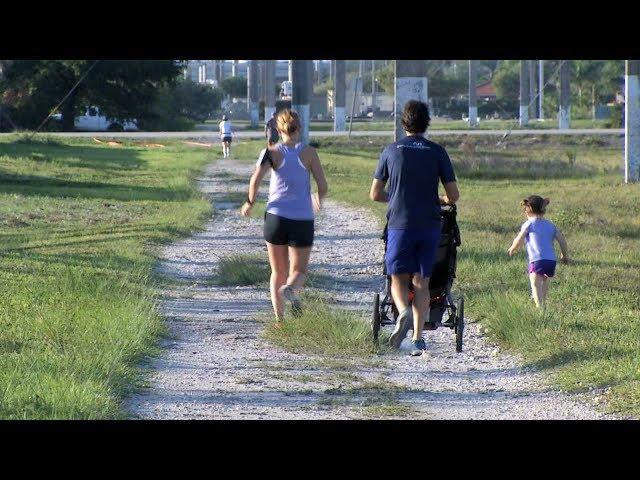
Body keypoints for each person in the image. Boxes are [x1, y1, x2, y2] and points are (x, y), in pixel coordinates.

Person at [369, 100, 460, 356]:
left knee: (398, 277)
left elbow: (375, 194)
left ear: (403, 123)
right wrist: (439, 199)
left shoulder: (391, 151)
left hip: (399, 222)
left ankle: (403, 311)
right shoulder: (437, 152)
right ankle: (419, 339)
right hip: (429, 224)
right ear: (426, 123)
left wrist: (396, 196)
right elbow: (453, 195)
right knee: (422, 281)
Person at [241, 109, 328, 322]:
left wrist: (250, 202)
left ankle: (280, 320)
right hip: (302, 219)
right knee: (299, 270)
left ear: (278, 130)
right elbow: (323, 185)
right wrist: (318, 198)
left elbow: (255, 180)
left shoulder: (270, 152)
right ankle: (291, 289)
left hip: (275, 218)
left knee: (277, 272)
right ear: (299, 128)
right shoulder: (309, 153)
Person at [507, 195, 570, 308]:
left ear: (527, 210)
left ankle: (539, 307)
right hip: (551, 261)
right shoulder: (551, 225)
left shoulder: (529, 224)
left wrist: (513, 247)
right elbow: (562, 241)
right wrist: (564, 255)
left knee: (535, 283)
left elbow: (519, 238)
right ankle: (544, 302)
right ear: (543, 210)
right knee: (545, 280)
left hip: (537, 260)